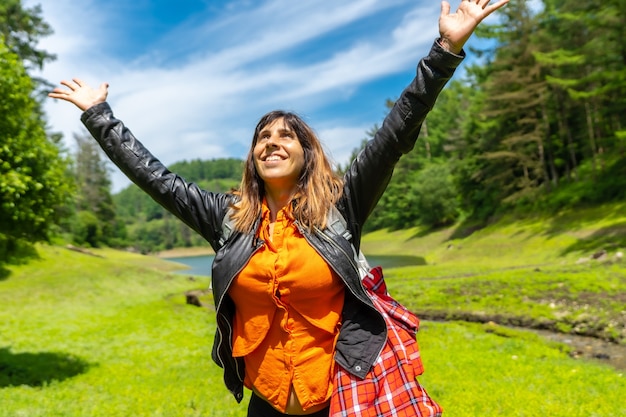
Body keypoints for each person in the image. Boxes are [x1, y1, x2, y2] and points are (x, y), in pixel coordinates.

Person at [49, 1, 508, 415]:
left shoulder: (340, 207)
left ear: (307, 152)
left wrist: (445, 49)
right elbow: (155, 178)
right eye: (262, 138)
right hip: (265, 404)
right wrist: (98, 114)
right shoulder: (226, 217)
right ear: (252, 157)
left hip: (339, 399)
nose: (272, 142)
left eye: (286, 135)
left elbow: (395, 134)